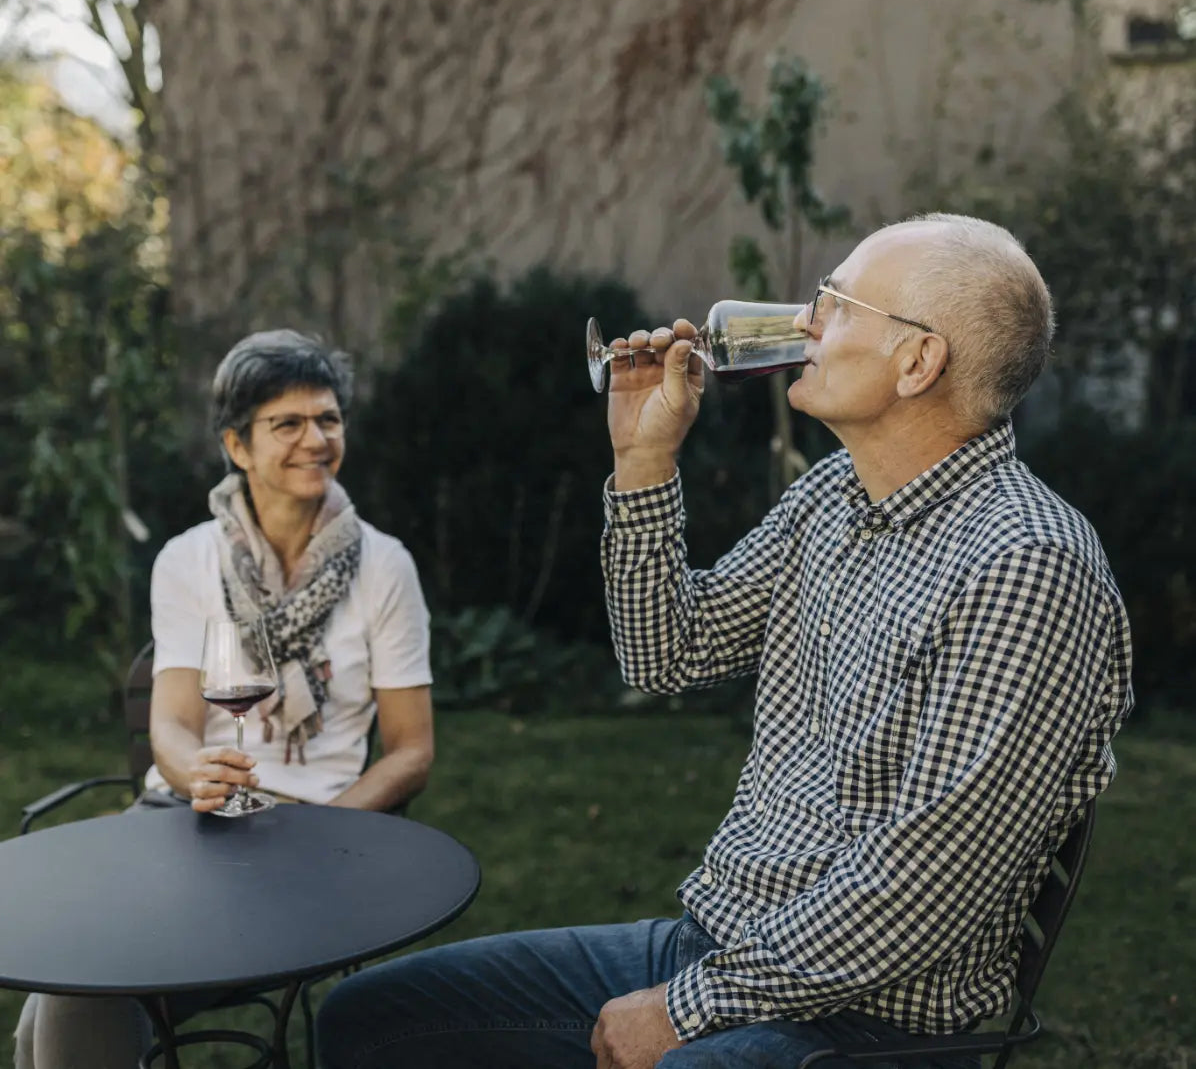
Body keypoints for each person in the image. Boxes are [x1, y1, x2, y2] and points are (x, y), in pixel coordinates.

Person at [315, 214, 1133, 1069]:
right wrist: (643, 461)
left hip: (872, 1024)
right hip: (725, 949)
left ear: (918, 362)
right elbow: (666, 653)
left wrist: (683, 1009)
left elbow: (919, 891)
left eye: (837, 302)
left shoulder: (1029, 567)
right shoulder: (834, 497)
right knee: (374, 1019)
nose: (806, 320)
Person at [14, 329, 434, 1069]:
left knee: (79, 997)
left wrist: (331, 830)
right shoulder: (189, 560)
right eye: (288, 423)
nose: (316, 439)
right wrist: (193, 772)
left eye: (328, 419)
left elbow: (410, 750)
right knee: (66, 997)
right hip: (184, 822)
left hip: (312, 837)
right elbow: (172, 724)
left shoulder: (385, 567)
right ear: (238, 447)